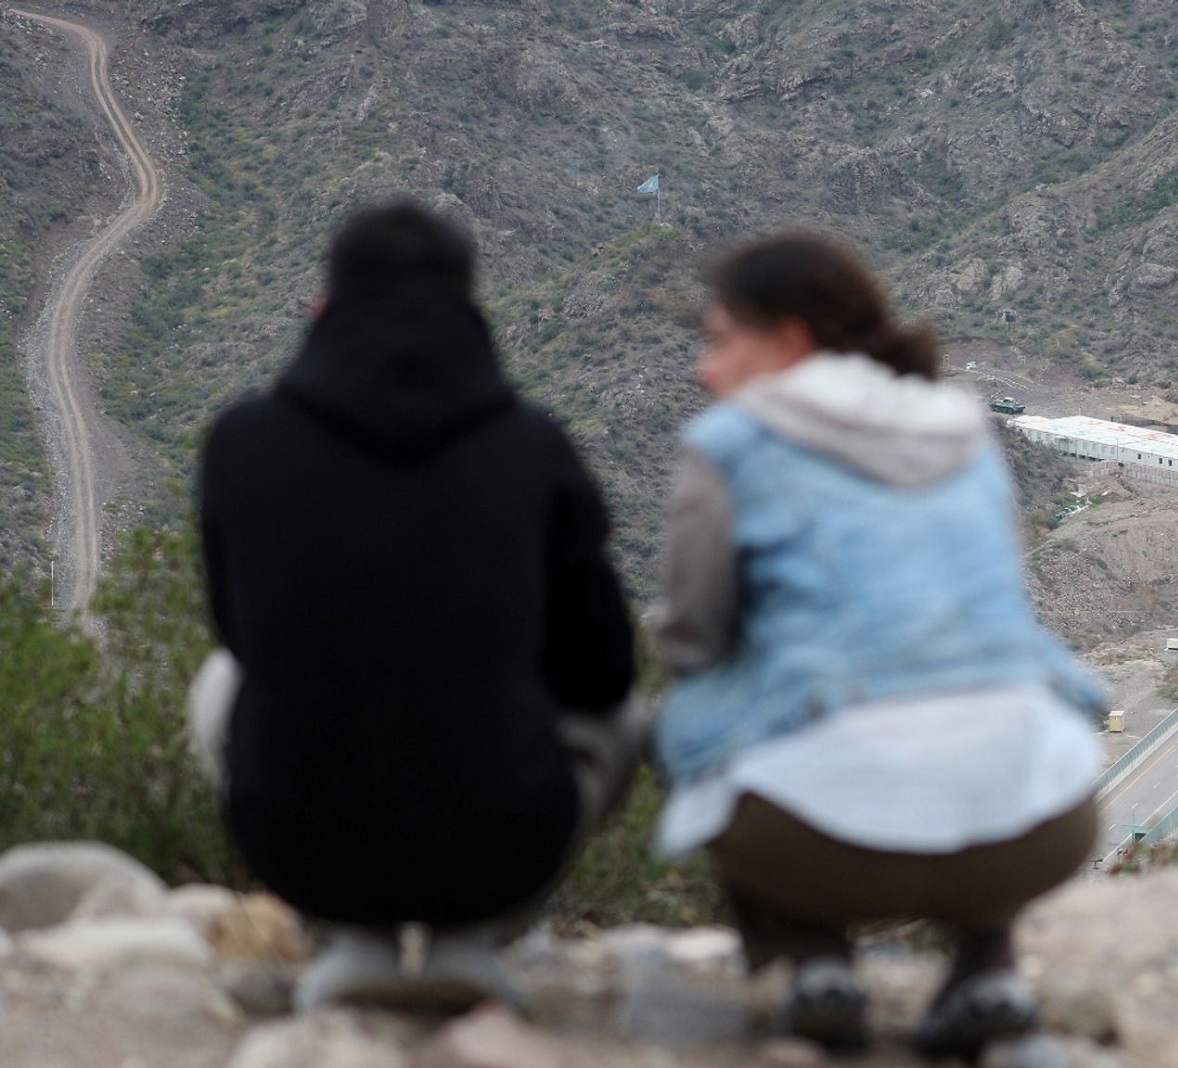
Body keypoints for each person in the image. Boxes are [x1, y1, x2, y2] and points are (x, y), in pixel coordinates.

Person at [653, 233, 1105, 1059]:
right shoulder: (962, 430)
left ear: (788, 341)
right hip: (1044, 825)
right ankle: (989, 966)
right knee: (977, 691)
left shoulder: (731, 445)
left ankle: (815, 961)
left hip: (813, 842)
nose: (704, 371)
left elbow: (691, 635)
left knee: (690, 711)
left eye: (721, 341)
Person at [193, 200, 641, 1013]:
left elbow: (239, 634)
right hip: (502, 846)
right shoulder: (533, 448)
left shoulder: (244, 443)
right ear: (471, 315)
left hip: (302, 845)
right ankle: (474, 938)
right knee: (629, 718)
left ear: (321, 309)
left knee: (219, 682)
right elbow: (605, 672)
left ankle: (349, 935)